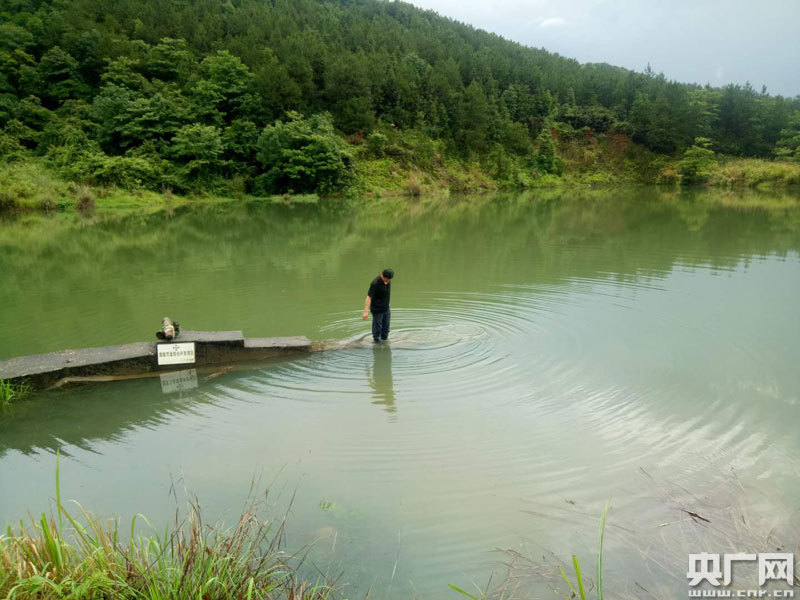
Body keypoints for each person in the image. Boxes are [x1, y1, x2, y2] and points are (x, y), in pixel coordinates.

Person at [362, 268, 394, 343]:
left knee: (386, 328)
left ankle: (385, 342)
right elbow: (369, 297)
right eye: (387, 279)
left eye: (389, 280)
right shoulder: (375, 283)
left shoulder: (388, 281)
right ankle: (377, 344)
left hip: (386, 308)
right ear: (383, 276)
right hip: (377, 309)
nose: (388, 281)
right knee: (377, 329)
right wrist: (365, 312)